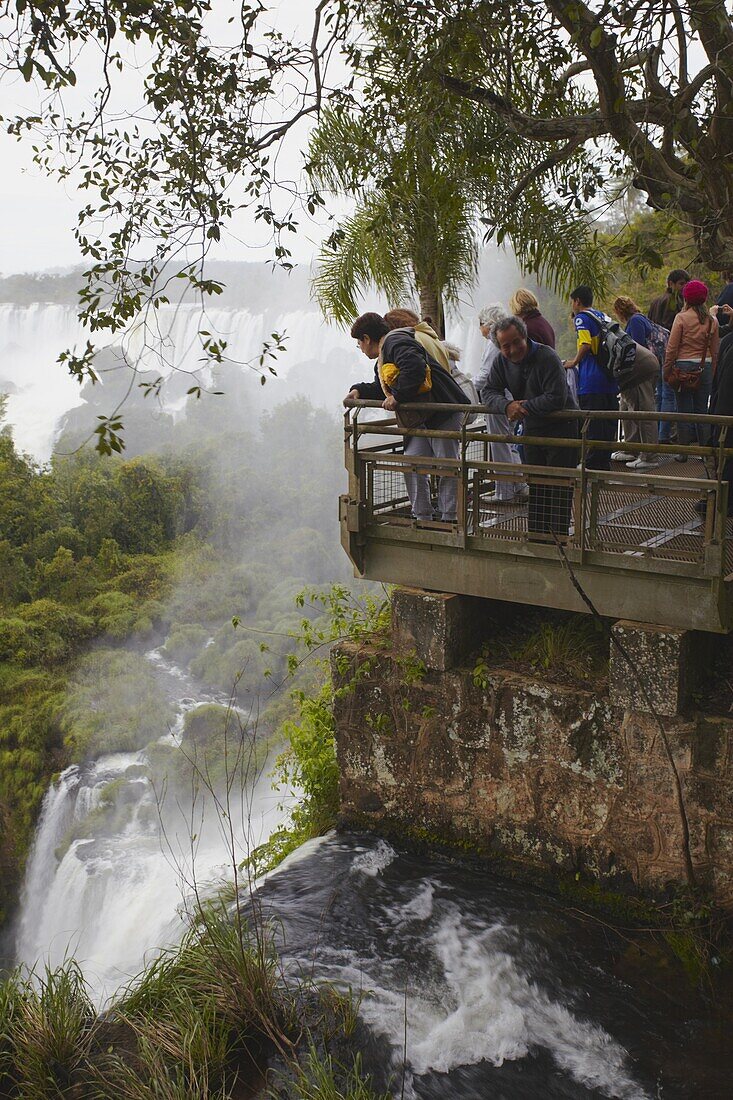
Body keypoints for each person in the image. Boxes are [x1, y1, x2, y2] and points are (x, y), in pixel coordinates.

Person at [345, 311, 468, 523]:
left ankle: (450, 518)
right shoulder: (387, 351)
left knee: (447, 465)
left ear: (366, 338)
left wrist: (398, 397)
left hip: (442, 411)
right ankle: (422, 516)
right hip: (423, 417)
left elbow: (415, 369)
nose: (361, 348)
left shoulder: (396, 342)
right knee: (412, 464)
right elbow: (382, 386)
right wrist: (358, 390)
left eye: (359, 343)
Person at [483, 316, 578, 536]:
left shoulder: (548, 357)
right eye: (506, 346)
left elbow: (556, 397)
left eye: (517, 342)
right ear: (499, 347)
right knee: (537, 485)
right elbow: (489, 391)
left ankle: (558, 538)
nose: (514, 349)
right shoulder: (501, 362)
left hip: (562, 427)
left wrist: (521, 409)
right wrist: (506, 406)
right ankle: (537, 537)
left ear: (525, 336)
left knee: (560, 486)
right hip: (533, 428)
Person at [563, 286, 619, 472]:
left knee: (593, 422)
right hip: (610, 377)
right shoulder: (602, 316)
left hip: (592, 379)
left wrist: (574, 361)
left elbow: (585, 343)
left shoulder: (582, 318)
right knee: (609, 422)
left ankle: (593, 464)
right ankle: (605, 461)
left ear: (577, 301)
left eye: (573, 301)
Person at [475, 303, 526, 503]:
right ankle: (519, 485)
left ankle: (504, 492)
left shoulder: (494, 342)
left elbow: (486, 375)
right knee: (510, 443)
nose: (480, 330)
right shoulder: (504, 341)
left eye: (480, 324)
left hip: (498, 401)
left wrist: (469, 385)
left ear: (487, 323)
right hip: (509, 397)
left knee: (500, 445)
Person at [663, 280, 720, 454]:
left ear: (686, 298)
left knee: (683, 411)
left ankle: (683, 452)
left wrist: (666, 370)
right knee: (702, 411)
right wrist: (714, 374)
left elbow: (672, 348)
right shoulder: (712, 321)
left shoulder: (681, 318)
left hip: (683, 367)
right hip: (706, 366)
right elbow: (715, 351)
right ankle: (705, 452)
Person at [611, 296, 659, 469]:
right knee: (626, 408)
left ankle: (649, 455)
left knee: (643, 411)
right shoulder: (639, 319)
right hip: (640, 370)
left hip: (641, 370)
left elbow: (634, 347)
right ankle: (632, 447)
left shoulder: (636, 321)